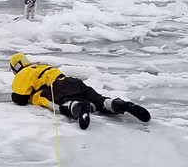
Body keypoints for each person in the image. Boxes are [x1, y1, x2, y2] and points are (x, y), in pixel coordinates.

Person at [9, 53, 151, 130]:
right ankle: (118, 104)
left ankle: (77, 109)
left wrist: (14, 96)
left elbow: (20, 99)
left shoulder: (22, 75)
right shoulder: (41, 66)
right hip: (72, 82)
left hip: (51, 90)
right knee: (98, 100)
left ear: (15, 68)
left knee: (66, 104)